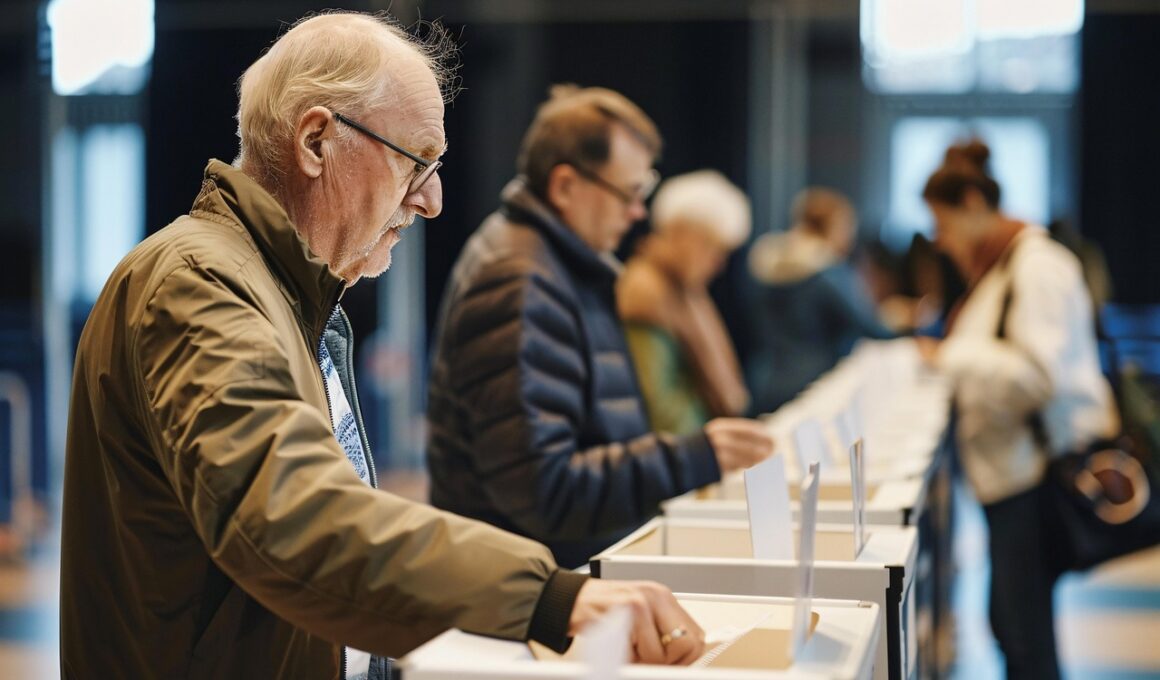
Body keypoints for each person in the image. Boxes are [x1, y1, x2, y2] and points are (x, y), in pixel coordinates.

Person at [60, 14, 708, 678]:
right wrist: (545, 598)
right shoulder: (196, 283)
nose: (432, 200)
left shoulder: (293, 297)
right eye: (417, 161)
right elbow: (293, 516)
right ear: (316, 142)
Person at [426, 86, 774, 568]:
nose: (638, 213)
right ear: (565, 186)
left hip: (564, 569)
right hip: (533, 584)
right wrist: (693, 457)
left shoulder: (558, 265)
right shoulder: (520, 280)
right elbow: (544, 490)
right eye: (629, 193)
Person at [917, 140, 1118, 679]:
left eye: (943, 223)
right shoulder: (1003, 268)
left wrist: (950, 356)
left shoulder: (1037, 267)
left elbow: (1038, 377)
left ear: (973, 204)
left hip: (1033, 475)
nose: (940, 240)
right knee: (1011, 625)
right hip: (1008, 477)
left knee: (1024, 636)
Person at [617, 169, 751, 435]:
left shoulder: (684, 289)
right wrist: (712, 443)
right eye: (713, 247)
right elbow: (660, 410)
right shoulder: (645, 292)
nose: (719, 263)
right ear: (681, 234)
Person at [747, 187, 894, 414]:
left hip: (765, 381)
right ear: (833, 226)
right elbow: (867, 326)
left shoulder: (766, 266)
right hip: (813, 384)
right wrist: (907, 324)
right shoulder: (828, 272)